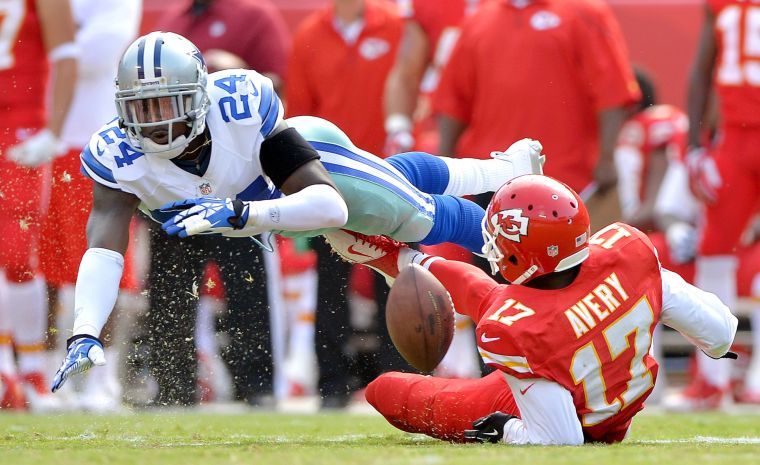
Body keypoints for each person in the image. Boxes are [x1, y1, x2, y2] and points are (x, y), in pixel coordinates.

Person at [49, 31, 545, 394]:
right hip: (267, 206)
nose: (155, 122)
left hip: (306, 170)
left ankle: (519, 245)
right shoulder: (117, 154)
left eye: (166, 104)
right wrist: (83, 331)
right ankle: (496, 170)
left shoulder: (240, 106)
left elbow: (326, 202)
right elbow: (104, 248)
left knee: (408, 216)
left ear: (199, 96)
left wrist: (242, 215)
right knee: (389, 184)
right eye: (142, 108)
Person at [325, 175, 738, 444]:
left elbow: (560, 440)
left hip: (573, 406)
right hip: (600, 387)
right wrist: (718, 349)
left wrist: (504, 430)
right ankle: (402, 262)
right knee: (490, 298)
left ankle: (401, 264)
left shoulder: (518, 331)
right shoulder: (627, 252)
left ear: (524, 255)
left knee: (387, 391)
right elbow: (719, 330)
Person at [154, 0, 291, 406]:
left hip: (236, 183)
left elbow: (275, 89)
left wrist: (235, 70)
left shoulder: (255, 15)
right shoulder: (172, 21)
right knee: (171, 290)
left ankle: (259, 386)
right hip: (176, 185)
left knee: (248, 289)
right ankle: (174, 387)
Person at [434, 0, 639, 200]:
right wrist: (444, 167)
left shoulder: (584, 11)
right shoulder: (478, 18)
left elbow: (611, 90)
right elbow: (453, 100)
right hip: (491, 175)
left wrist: (607, 158)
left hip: (564, 177)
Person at [0, 0, 78, 411]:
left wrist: (53, 130)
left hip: (20, 121)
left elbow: (66, 53)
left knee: (15, 251)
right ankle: (5, 371)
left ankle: (31, 366)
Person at [682, 0, 760, 409]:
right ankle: (713, 377)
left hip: (738, 140)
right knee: (713, 253)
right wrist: (696, 147)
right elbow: (702, 70)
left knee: (717, 256)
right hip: (734, 139)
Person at [383, 0, 481, 156]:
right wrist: (399, 127)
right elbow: (407, 72)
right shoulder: (428, 5)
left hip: (492, 116)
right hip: (442, 115)